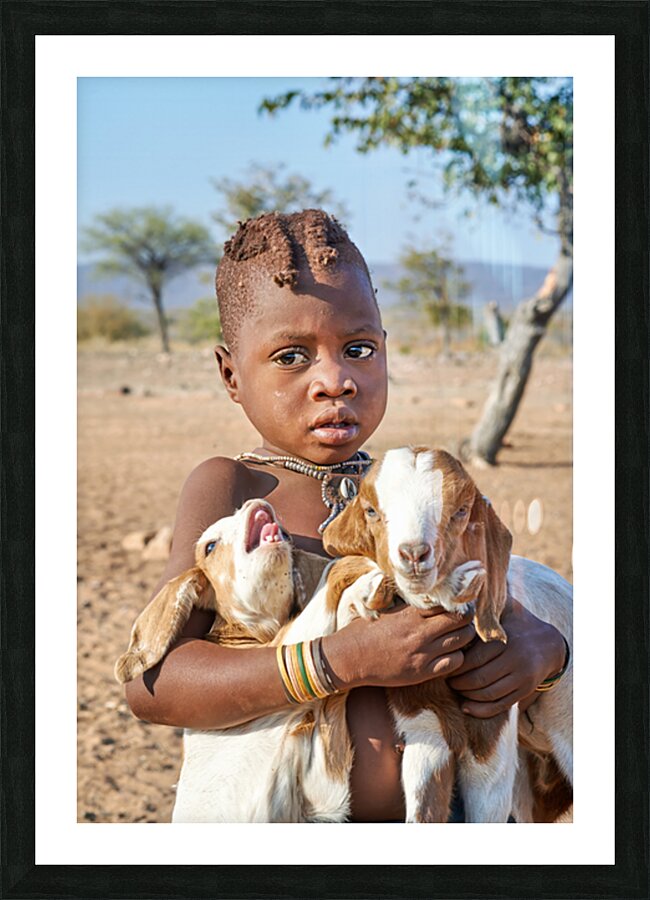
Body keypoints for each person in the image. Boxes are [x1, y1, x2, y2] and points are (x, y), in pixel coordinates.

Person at [124, 209, 568, 822]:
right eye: (291, 358)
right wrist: (344, 660)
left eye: (358, 349)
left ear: (384, 350)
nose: (335, 380)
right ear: (231, 374)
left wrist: (544, 659)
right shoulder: (233, 487)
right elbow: (156, 684)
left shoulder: (407, 491)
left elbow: (499, 608)